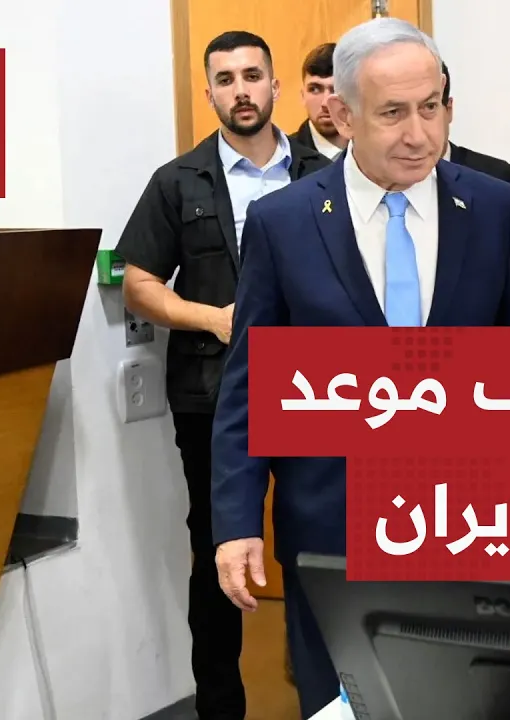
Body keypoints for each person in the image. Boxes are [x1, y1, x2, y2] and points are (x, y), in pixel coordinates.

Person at [209, 16, 510, 718]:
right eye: (393, 113)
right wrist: (237, 520)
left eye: (432, 108)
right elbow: (250, 384)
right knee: (342, 704)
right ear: (341, 114)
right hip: (331, 528)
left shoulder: (494, 207)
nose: (419, 134)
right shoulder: (284, 222)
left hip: (469, 521)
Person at [114, 29, 329, 720]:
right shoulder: (177, 182)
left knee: (320, 544)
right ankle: (219, 707)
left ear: (274, 86)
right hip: (211, 398)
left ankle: (330, 696)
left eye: (252, 75)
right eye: (226, 79)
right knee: (219, 551)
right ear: (208, 92)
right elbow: (138, 284)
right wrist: (212, 318)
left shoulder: (323, 176)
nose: (241, 90)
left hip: (318, 395)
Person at [438, 62, 510, 324]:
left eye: (429, 107)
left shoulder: (498, 180)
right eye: (395, 111)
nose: (415, 129)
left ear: (449, 110)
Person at [290, 42, 345, 160]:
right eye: (314, 89)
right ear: (303, 96)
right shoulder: (284, 158)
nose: (325, 103)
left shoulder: (375, 151)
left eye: (336, 90)